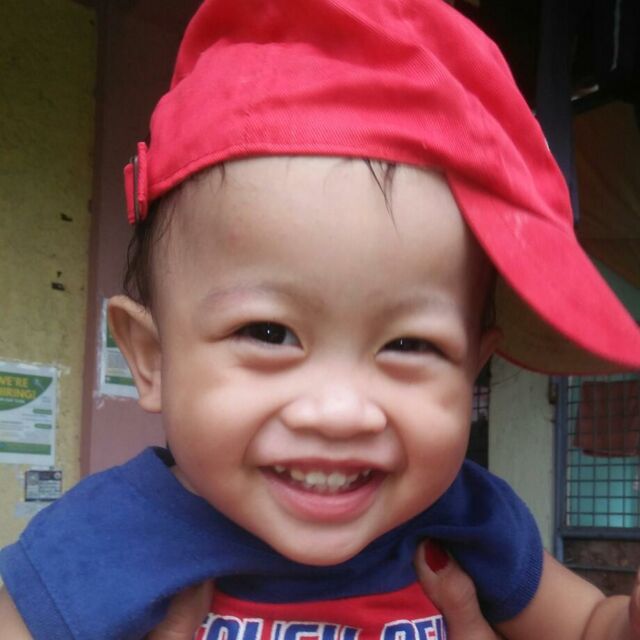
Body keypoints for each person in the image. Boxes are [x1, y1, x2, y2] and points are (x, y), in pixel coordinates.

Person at [2, 0, 640, 639]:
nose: (340, 413)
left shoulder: (470, 521)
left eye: (409, 344)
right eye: (268, 333)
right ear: (152, 359)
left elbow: (591, 624)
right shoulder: (113, 536)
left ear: (472, 368)